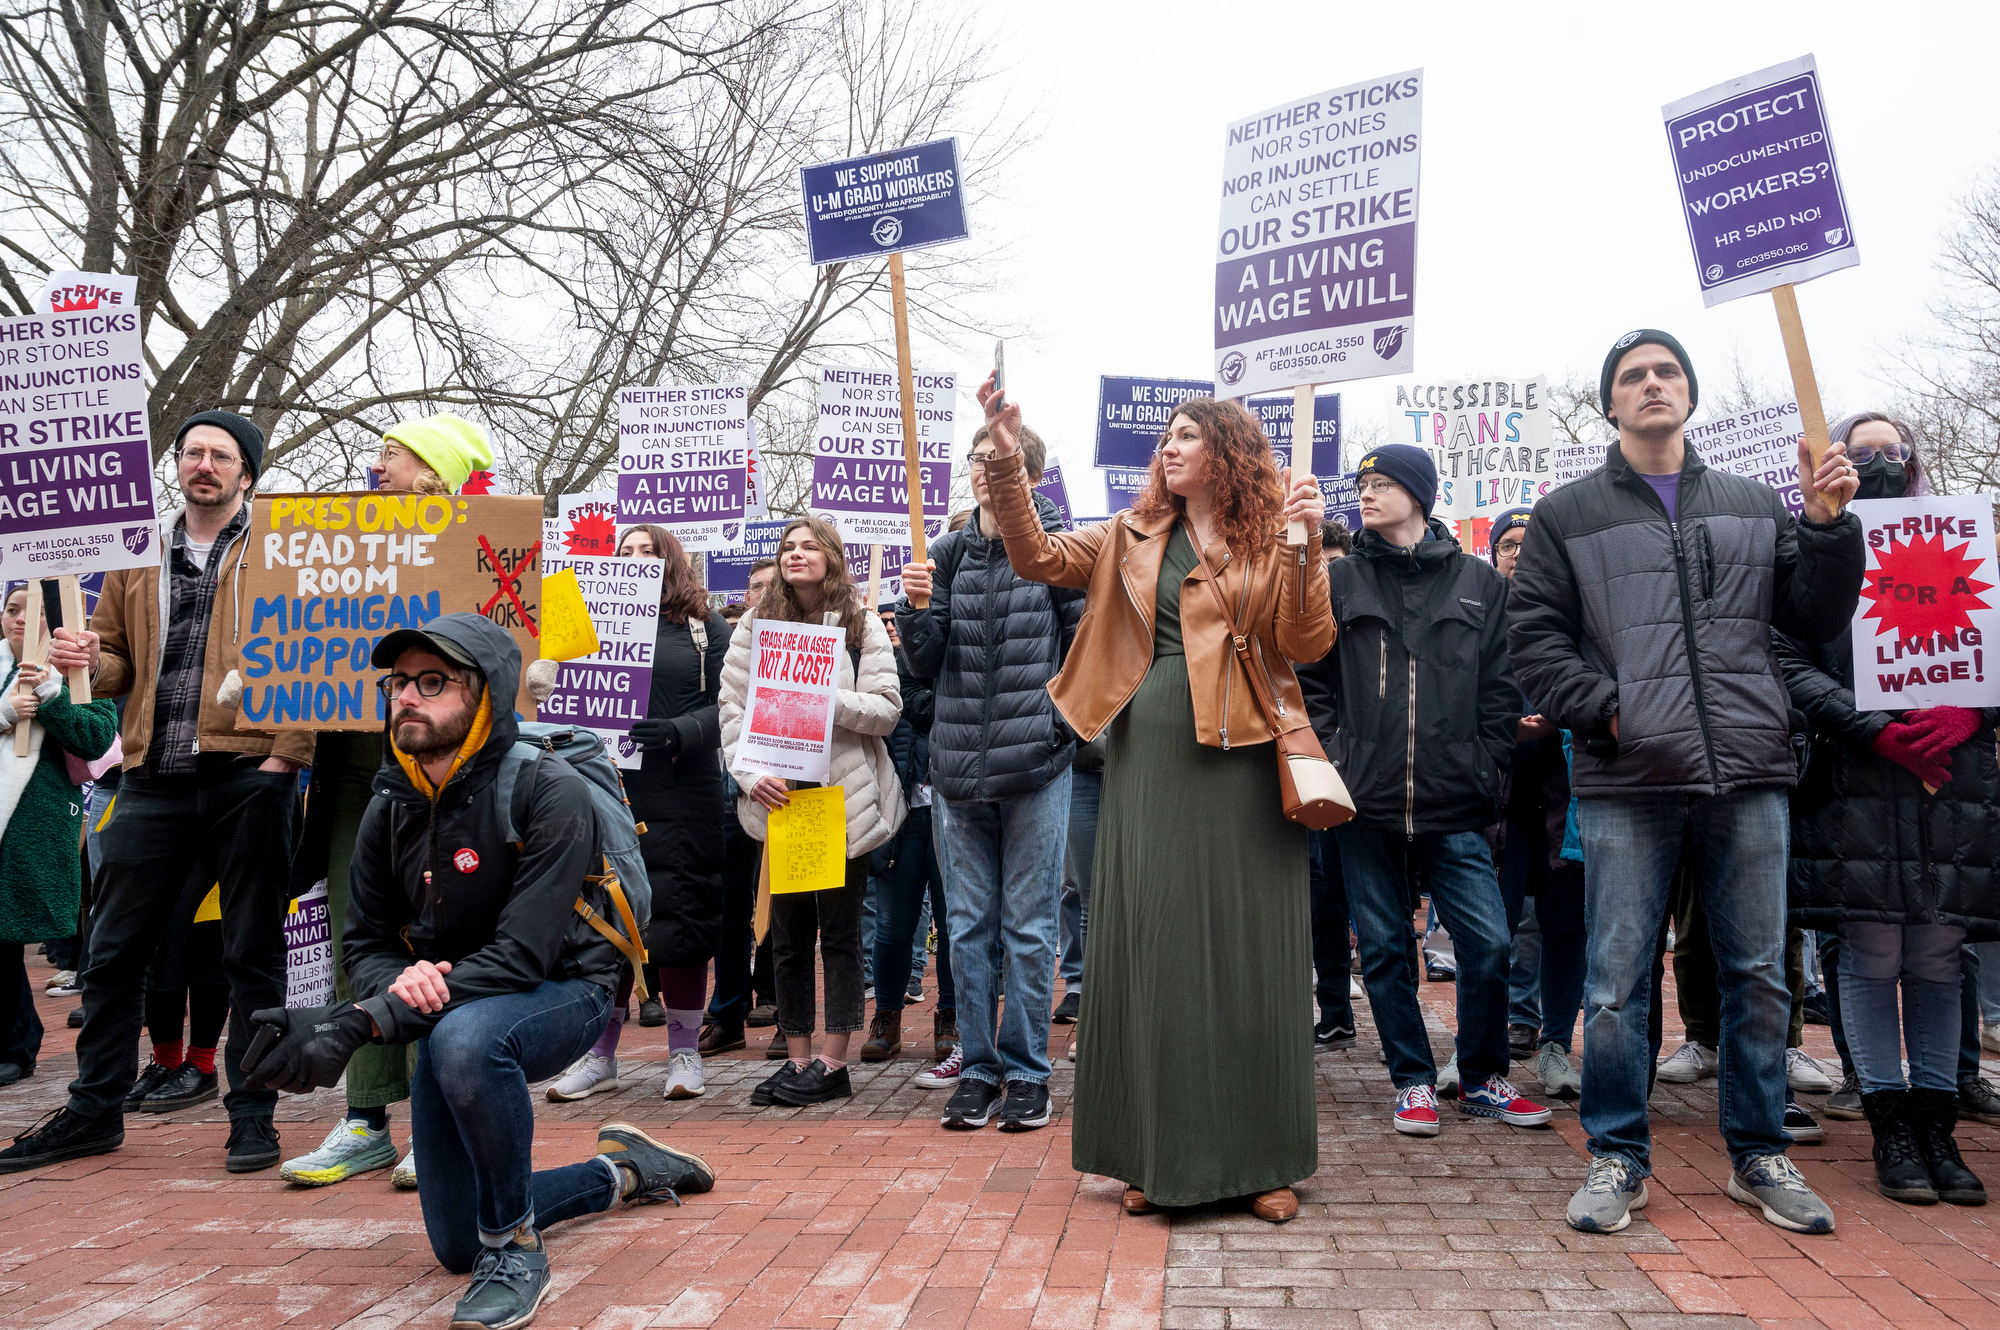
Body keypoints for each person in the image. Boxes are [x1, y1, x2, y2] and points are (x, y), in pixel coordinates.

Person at [239, 613, 714, 1329]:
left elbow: (523, 954)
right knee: (459, 1241)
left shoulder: (550, 789)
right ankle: (624, 1171)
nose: (408, 697)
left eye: (434, 683)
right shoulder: (388, 801)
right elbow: (365, 940)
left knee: (463, 1042)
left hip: (564, 990)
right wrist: (384, 992)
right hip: (451, 1003)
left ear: (485, 694)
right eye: (399, 682)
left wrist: (365, 1019)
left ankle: (518, 1249)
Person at [1508, 328, 1863, 1235]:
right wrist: (1611, 712)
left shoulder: (1754, 502)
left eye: (1667, 371)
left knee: (1758, 975)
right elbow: (1534, 640)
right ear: (1611, 404)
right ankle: (1618, 1157)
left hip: (1747, 770)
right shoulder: (1567, 514)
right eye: (1633, 376)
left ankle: (1758, 1154)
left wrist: (1826, 530)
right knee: (1618, 981)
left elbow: (1816, 618)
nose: (1652, 384)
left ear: (1690, 393)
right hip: (1628, 776)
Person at [982, 380, 1330, 1222]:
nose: (1168, 449)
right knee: (1158, 942)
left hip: (1250, 755)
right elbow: (1035, 556)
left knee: (1250, 953)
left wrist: (1307, 546)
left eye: (1186, 437)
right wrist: (1003, 466)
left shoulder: (1271, 533)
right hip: (1151, 748)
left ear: (1228, 453)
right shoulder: (1128, 534)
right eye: (1165, 439)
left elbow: (1307, 643)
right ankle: (1153, 1152)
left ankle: (1263, 1161)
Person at [3, 412, 315, 1177]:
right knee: (113, 955)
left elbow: (317, 647)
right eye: (192, 452)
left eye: (221, 455)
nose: (203, 464)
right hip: (148, 776)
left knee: (249, 957)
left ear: (248, 473)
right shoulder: (136, 552)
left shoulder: (281, 549)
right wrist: (84, 654)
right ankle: (93, 1110)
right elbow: (112, 665)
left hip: (249, 774)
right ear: (177, 465)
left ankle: (251, 1114)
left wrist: (286, 757)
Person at [1296, 450, 1549, 1138]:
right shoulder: (1339, 579)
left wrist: (1484, 765)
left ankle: (1483, 1076)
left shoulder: (1478, 582)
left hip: (1452, 798)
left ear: (1419, 495)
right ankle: (1411, 1080)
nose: (1367, 496)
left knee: (1489, 942)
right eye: (1362, 486)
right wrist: (1339, 758)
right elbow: (1311, 678)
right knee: (1381, 947)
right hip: (1364, 798)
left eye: (1381, 485)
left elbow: (1502, 687)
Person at [1776, 412, 1992, 1207]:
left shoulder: (1970, 543)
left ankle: (1938, 1123)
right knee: (1869, 956)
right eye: (1859, 450)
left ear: (1914, 459)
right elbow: (1786, 656)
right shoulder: (1811, 551)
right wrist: (1870, 726)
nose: (1876, 461)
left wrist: (1974, 713)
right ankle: (1889, 1126)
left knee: (1937, 956)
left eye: (1891, 449)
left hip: (1949, 780)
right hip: (1859, 777)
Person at [281, 414, 492, 1188]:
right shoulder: (339, 541)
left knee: (444, 944)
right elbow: (295, 625)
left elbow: (548, 635)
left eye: (390, 455)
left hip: (451, 773)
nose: (374, 466)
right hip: (351, 773)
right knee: (358, 934)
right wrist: (264, 677)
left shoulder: (486, 537)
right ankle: (366, 1117)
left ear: (433, 473)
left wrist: (537, 671)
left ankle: (441, 1121)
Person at [897, 420, 1083, 1132]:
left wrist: (1056, 730)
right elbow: (924, 661)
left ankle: (1028, 1070)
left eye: (997, 460)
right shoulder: (940, 554)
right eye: (975, 459)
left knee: (1030, 928)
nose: (982, 469)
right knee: (969, 926)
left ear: (1027, 475)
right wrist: (914, 610)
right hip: (956, 772)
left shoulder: (1056, 554)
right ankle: (978, 1067)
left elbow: (1081, 647)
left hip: (1035, 765)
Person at [719, 518, 904, 1106]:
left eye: (809, 546)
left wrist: (820, 697)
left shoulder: (859, 623)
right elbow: (732, 709)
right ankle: (798, 1063)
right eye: (788, 548)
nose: (796, 555)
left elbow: (885, 710)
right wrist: (750, 776)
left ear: (832, 557)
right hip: (783, 799)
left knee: (840, 935)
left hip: (839, 800)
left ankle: (834, 1062)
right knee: (788, 937)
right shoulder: (755, 625)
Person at [546, 525, 730, 1101]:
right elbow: (551, 690)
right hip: (605, 786)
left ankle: (685, 1054)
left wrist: (681, 731)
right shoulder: (586, 621)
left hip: (682, 790)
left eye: (648, 551)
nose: (635, 560)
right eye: (624, 552)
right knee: (605, 916)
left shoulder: (705, 628)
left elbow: (733, 705)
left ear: (672, 560)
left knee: (680, 914)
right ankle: (600, 1055)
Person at [1484, 507, 1585, 1101]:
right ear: (1494, 553)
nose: (1519, 555)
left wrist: (1562, 715)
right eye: (1508, 545)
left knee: (1564, 925)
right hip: (1496, 796)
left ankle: (1555, 1045)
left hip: (1563, 797)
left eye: (1531, 544)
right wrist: (1505, 725)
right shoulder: (1477, 609)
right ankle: (1481, 1045)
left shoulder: (1573, 610)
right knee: (1489, 925)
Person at [0, 585, 118, 1086]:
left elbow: (95, 738)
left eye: (38, 612)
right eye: (12, 609)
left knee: (6, 936)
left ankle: (17, 1046)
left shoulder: (75, 672)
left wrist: (49, 698)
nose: (22, 621)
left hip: (30, 823)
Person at [860, 606, 950, 1064]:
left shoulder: (963, 653)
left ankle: (950, 1018)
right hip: (905, 812)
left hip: (958, 808)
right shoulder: (894, 669)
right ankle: (887, 1018)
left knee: (956, 924)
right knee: (893, 925)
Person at [711, 558, 781, 1047]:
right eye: (755, 586)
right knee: (730, 908)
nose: (762, 592)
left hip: (790, 793)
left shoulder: (813, 637)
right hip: (739, 788)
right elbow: (726, 709)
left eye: (771, 584)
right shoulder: (734, 644)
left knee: (786, 906)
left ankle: (782, 1007)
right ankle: (728, 1013)